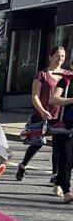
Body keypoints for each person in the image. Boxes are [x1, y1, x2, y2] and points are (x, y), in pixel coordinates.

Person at [15, 47, 65, 182]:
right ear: (50, 57)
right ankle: (23, 165)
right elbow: (35, 96)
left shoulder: (66, 76)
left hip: (59, 116)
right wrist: (42, 111)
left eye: (62, 56)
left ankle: (55, 176)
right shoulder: (42, 75)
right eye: (57, 55)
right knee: (38, 143)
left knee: (57, 147)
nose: (60, 59)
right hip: (41, 115)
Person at [49, 67, 73, 203]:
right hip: (66, 126)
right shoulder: (66, 81)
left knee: (70, 162)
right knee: (66, 159)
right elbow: (54, 99)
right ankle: (67, 191)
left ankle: (59, 179)